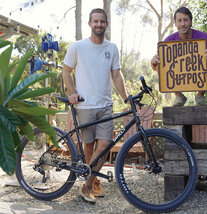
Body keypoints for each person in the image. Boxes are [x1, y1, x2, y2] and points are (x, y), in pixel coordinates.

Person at [62, 8, 128, 203]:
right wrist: (72, 92)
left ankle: (88, 185)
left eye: (102, 22)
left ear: (106, 25)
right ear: (90, 24)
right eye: (95, 21)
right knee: (89, 147)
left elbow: (116, 75)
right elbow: (66, 71)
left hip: (106, 104)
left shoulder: (112, 48)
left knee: (105, 145)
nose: (99, 24)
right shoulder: (77, 47)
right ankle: (95, 180)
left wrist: (125, 98)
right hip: (85, 106)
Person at [151, 7, 207, 106]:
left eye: (186, 20)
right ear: (176, 23)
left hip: (197, 74)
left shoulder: (203, 37)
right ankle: (179, 96)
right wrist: (153, 62)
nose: (183, 24)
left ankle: (200, 95)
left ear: (191, 22)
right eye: (179, 21)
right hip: (178, 75)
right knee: (158, 66)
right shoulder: (169, 40)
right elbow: (155, 66)